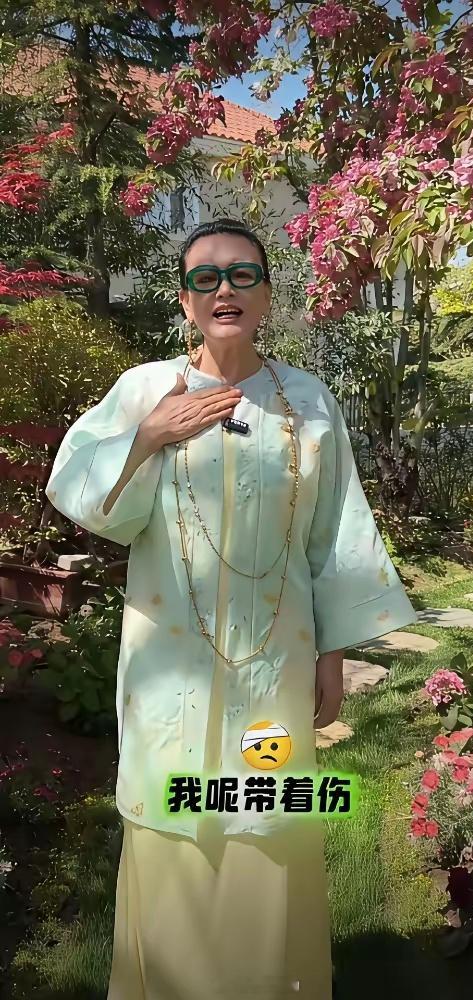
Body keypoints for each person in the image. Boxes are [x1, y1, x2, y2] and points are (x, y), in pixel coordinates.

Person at [45, 218, 418, 999]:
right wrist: (149, 436)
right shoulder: (145, 390)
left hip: (273, 662)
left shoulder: (307, 401)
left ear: (267, 295)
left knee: (266, 823)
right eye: (206, 278)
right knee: (172, 819)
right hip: (171, 660)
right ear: (185, 300)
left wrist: (332, 655)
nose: (225, 290)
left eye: (243, 275)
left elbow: (334, 534)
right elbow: (81, 492)